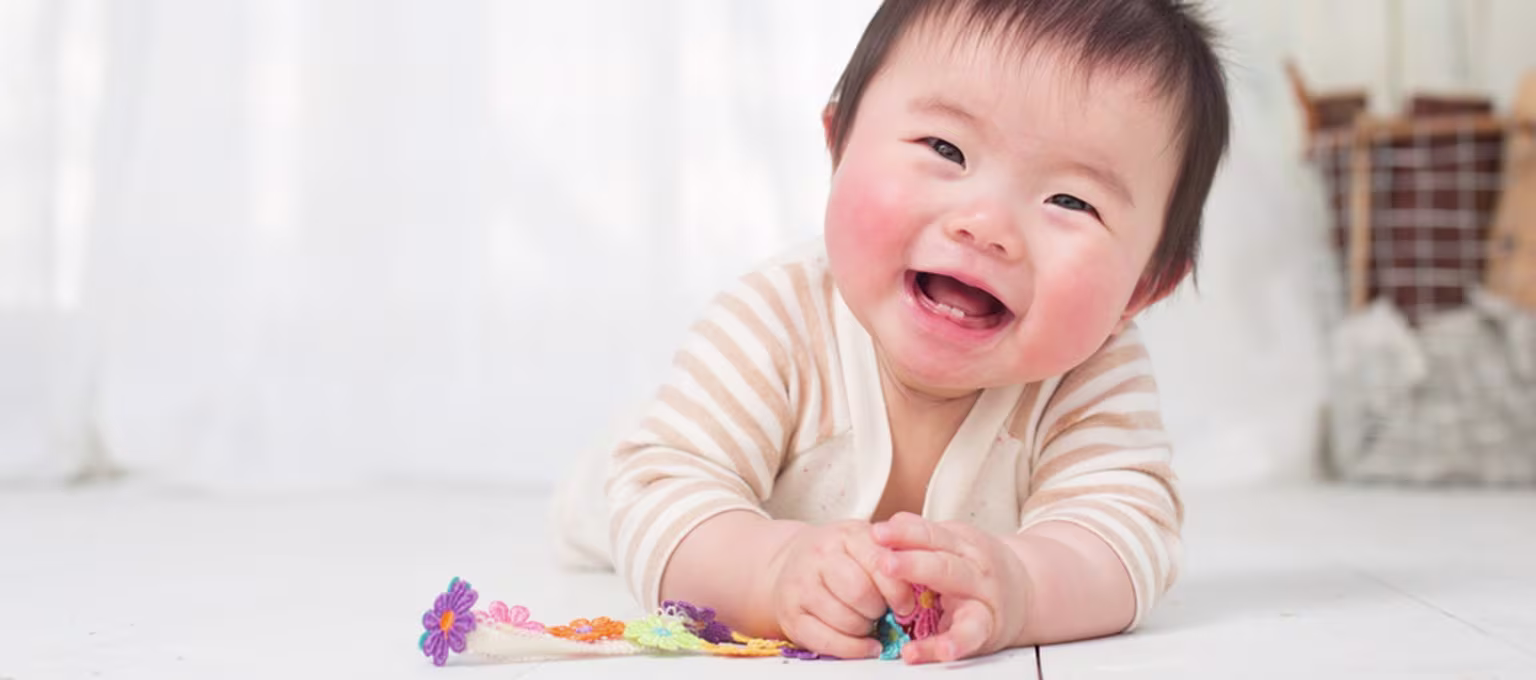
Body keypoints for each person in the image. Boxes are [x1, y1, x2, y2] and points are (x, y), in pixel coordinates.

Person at [552, 0, 1229, 664]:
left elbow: (1126, 537)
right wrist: (772, 572)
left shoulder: (1091, 374)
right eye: (946, 149)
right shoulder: (777, 321)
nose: (985, 225)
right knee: (625, 491)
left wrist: (1023, 586)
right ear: (839, 144)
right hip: (644, 478)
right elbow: (662, 494)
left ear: (1142, 289)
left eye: (1071, 201)